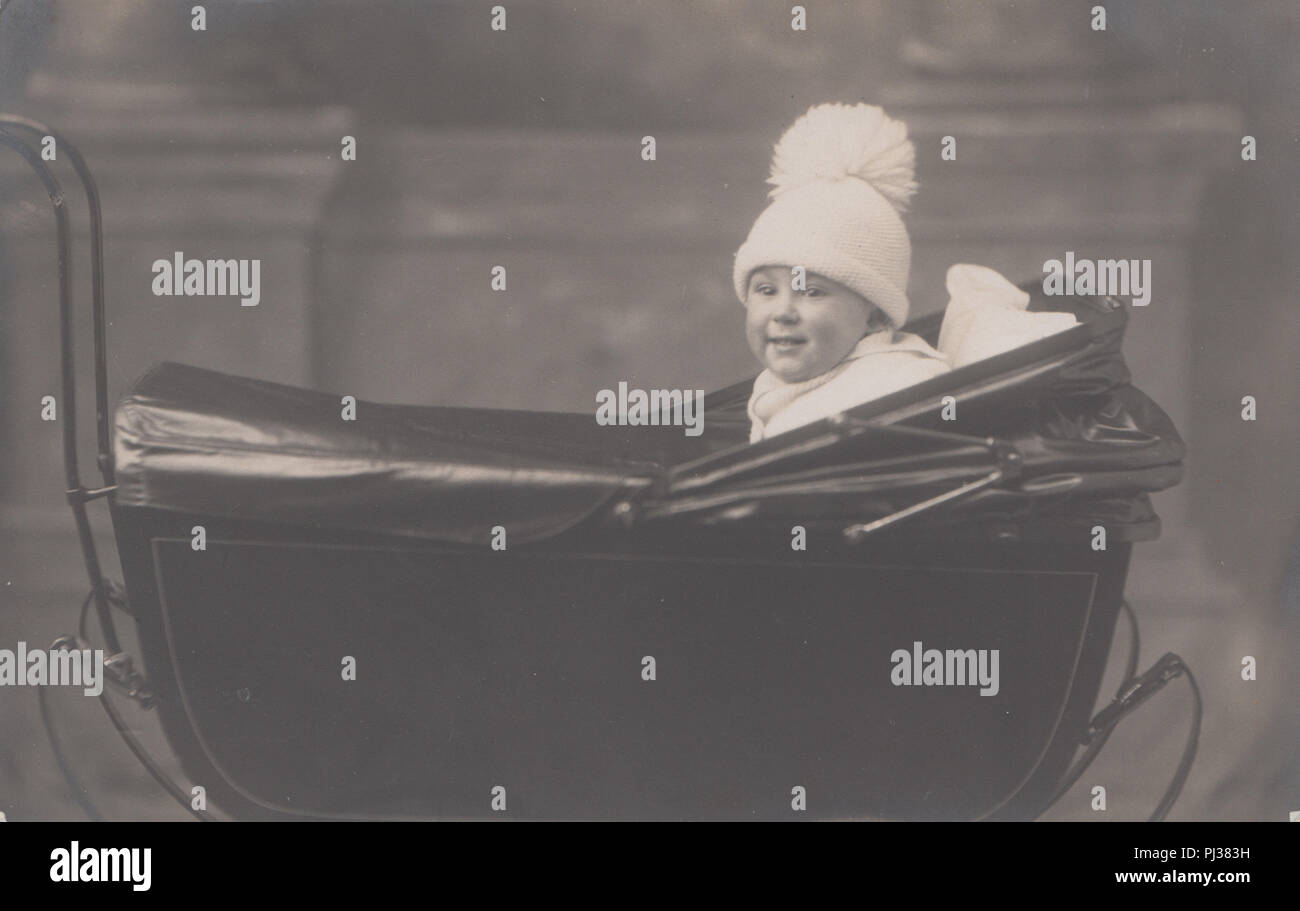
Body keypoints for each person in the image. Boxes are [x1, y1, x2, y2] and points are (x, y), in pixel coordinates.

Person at [733, 103, 951, 442]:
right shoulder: (790, 386)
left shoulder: (889, 392)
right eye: (766, 290)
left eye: (813, 292)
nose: (783, 312)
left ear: (875, 316)